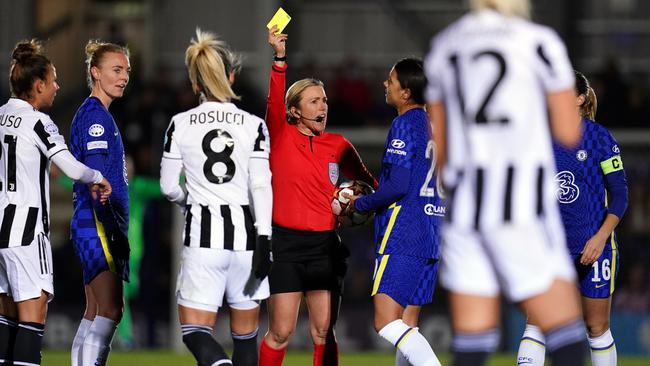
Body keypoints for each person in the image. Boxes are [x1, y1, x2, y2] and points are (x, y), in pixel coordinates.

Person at [424, 0, 587, 365]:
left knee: (472, 342)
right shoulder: (538, 42)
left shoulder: (445, 47)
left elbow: (444, 149)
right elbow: (568, 131)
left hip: (465, 204)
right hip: (519, 201)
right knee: (565, 332)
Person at [260, 26, 377, 366]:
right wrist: (279, 58)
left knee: (323, 332)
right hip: (284, 246)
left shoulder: (339, 145)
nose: (323, 106)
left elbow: (369, 184)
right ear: (294, 111)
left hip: (325, 245)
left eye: (324, 100)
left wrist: (361, 203)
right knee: (280, 332)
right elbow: (273, 97)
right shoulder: (279, 136)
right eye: (314, 101)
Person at [159, 28, 273, 366]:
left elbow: (168, 187)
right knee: (246, 338)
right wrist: (265, 237)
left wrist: (187, 199)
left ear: (195, 83)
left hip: (203, 238)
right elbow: (261, 186)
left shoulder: (180, 124)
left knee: (196, 332)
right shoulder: (253, 125)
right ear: (232, 77)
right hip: (248, 240)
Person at [0, 39, 111, 366]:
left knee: (6, 315)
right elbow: (71, 166)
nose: (58, 87)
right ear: (37, 86)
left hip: (2, 227)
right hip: (27, 229)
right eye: (53, 80)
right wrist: (97, 177)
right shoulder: (38, 122)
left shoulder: (2, 115)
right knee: (33, 315)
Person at [516, 70, 628, 366]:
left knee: (596, 328)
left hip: (594, 246)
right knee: (537, 322)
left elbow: (620, 196)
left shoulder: (599, 138)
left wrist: (601, 237)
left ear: (579, 99)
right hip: (550, 249)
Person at [344, 58, 444, 366]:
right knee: (408, 324)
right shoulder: (436, 125)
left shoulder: (404, 123)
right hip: (431, 232)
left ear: (406, 93)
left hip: (403, 233)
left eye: (391, 80)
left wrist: (359, 205)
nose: (385, 84)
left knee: (386, 322)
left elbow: (398, 184)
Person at [69, 39, 131, 366]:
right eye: (116, 70)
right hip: (98, 224)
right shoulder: (95, 116)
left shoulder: (97, 113)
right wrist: (112, 229)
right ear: (96, 72)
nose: (124, 77)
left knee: (94, 312)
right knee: (110, 310)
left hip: (90, 224)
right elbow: (95, 179)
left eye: (127, 71)